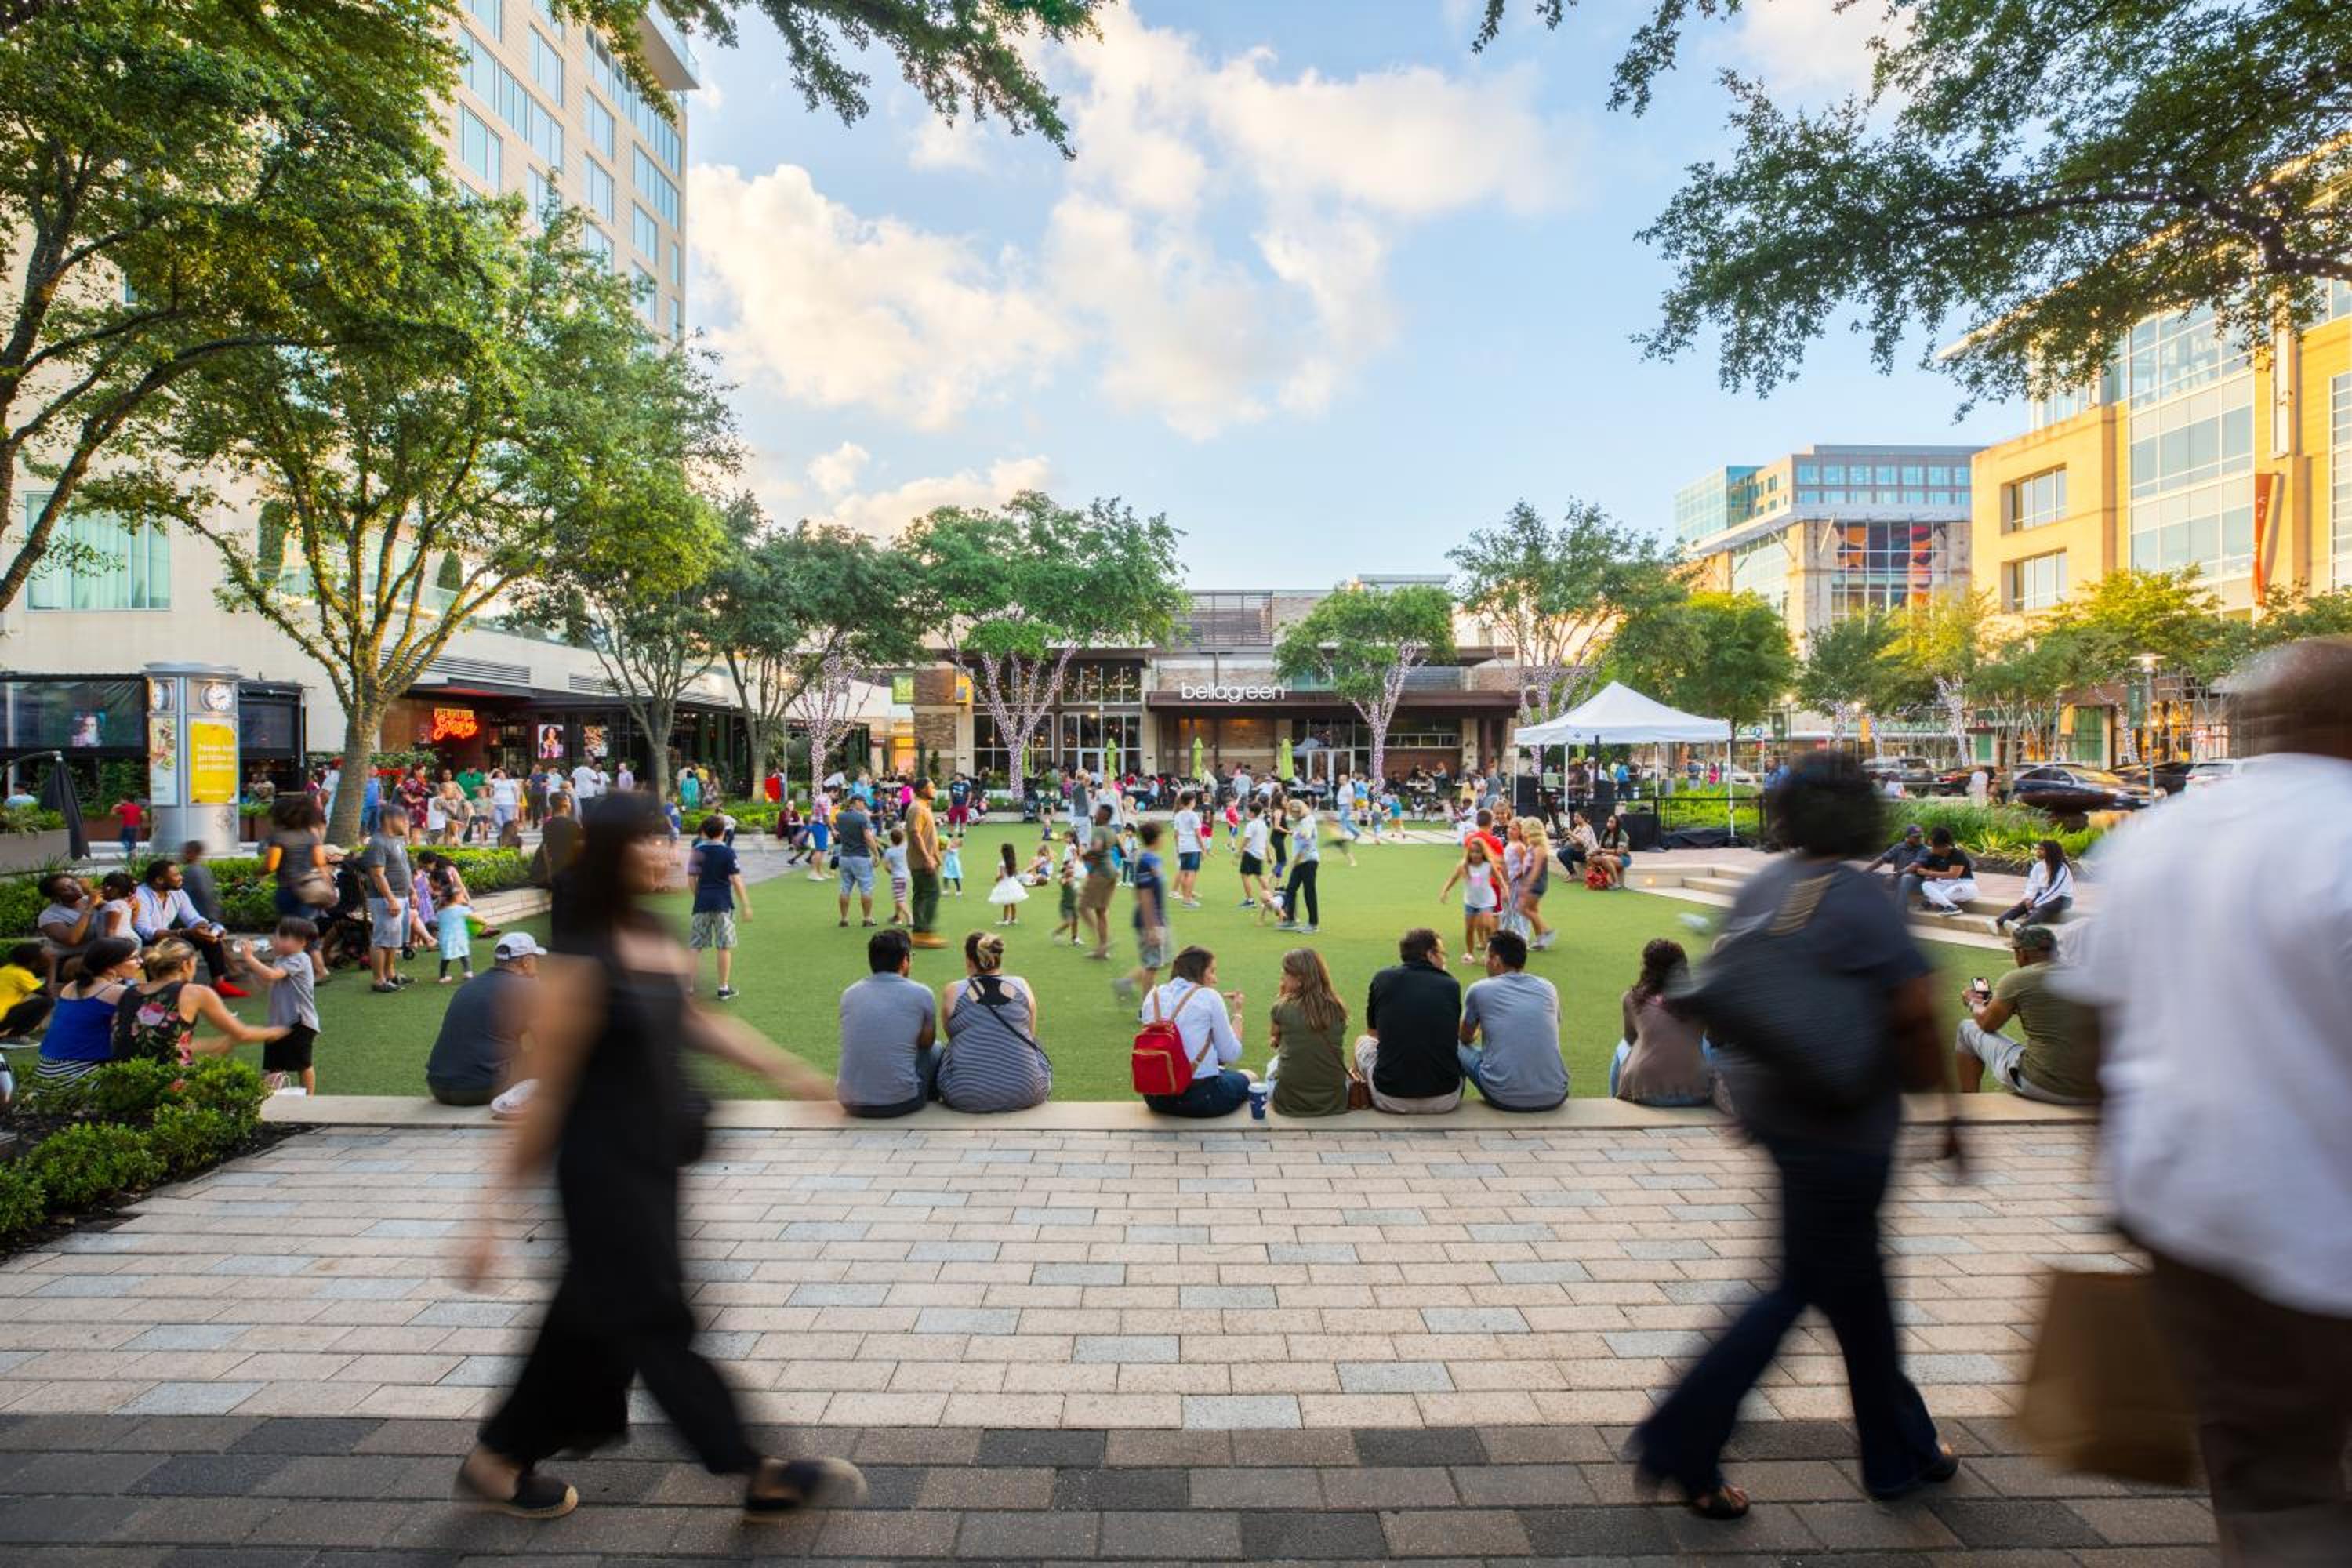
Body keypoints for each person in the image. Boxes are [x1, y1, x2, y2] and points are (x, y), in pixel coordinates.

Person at [454, 793, 861, 1523]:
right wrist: (486, 1217)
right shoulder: (581, 958)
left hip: (654, 1163)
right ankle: (756, 1469)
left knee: (588, 1321)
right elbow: (545, 1095)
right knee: (656, 1319)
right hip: (602, 1171)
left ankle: (500, 1458)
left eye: (670, 838)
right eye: (654, 839)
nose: (671, 851)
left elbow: (695, 1020)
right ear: (617, 852)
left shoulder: (652, 935)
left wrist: (790, 1073)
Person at [2053, 637, 2352, 1564]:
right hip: (2315, 1220)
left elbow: (2098, 1025)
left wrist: (2115, 1174)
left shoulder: (2160, 838)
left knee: (2265, 1473)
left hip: (2193, 1206)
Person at [1632, 751, 1959, 1520]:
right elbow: (1914, 1015)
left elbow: (1731, 996)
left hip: (1784, 1116)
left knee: (1858, 1292)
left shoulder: (1763, 885)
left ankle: (1903, 1449)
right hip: (1849, 1127)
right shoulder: (1862, 897)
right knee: (1799, 1289)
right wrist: (1953, 1113)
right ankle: (1682, 1440)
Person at [1951, 924, 2096, 1105]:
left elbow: (1987, 1024)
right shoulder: (2085, 975)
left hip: (2047, 1086)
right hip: (2093, 1089)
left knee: (1966, 1029)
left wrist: (1974, 1002)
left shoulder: (2018, 979)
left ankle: (1969, 1103)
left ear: (2022, 953)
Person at [113, 937, 285, 1066]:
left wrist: (212, 1045)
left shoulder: (130, 992)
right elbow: (243, 1034)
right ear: (186, 964)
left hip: (127, 1082)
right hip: (171, 1084)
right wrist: (279, 1032)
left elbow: (157, 1042)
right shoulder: (194, 992)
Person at [935, 931, 1052, 1113]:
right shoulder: (1021, 985)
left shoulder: (954, 991)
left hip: (964, 1095)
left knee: (942, 1050)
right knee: (1035, 1044)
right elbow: (1030, 1035)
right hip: (1027, 1091)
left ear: (969, 960)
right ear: (998, 958)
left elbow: (953, 1039)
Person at [1355, 928, 1465, 1114]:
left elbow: (1373, 1034)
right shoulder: (1450, 984)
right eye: (1442, 954)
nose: (1444, 959)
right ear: (1430, 955)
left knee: (1362, 1042)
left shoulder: (1382, 979)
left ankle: (1357, 1096)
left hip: (1389, 1098)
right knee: (1461, 1048)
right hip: (1446, 1099)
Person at [426, 932, 543, 1106]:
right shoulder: (529, 987)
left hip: (438, 1087)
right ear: (526, 961)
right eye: (536, 959)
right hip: (483, 1089)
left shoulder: (470, 985)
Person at [1456, 931, 1569, 1111]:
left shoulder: (1479, 989)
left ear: (1496, 960)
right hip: (1556, 1093)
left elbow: (1464, 1037)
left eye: (1486, 956)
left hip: (1503, 1096)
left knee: (1454, 1043)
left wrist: (1480, 1028)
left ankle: (1451, 1097)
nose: (1484, 961)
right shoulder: (1548, 988)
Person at [1137, 945, 1252, 1117]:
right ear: (1199, 971)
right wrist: (1238, 1013)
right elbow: (1231, 1054)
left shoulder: (1153, 995)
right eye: (1212, 971)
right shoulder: (1210, 997)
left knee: (1215, 1065)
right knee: (1249, 1076)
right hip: (1201, 1098)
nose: (1215, 979)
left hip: (1155, 1097)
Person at [836, 928, 938, 1119]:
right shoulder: (922, 994)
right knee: (936, 1049)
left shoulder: (849, 994)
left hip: (850, 1102)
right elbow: (926, 1043)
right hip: (901, 1102)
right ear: (905, 960)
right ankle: (929, 1100)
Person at [1611, 939, 1715, 1107]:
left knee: (1621, 1046)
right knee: (1706, 1043)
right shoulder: (1702, 999)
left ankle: (1616, 1104)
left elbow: (1630, 1039)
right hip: (1697, 1093)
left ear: (1647, 968)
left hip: (1647, 1094)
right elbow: (1715, 1039)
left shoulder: (1632, 998)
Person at [229, 917, 323, 1094]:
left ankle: (309, 1100)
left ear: (302, 942)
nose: (276, 940)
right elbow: (270, 980)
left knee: (303, 1064)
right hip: (278, 1023)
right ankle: (272, 1097)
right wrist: (256, 978)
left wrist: (249, 958)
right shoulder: (281, 959)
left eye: (283, 937)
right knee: (274, 1064)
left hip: (299, 1023)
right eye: (277, 935)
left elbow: (272, 975)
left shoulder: (300, 959)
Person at [34, 937, 140, 1087]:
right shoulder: (118, 992)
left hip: (45, 1072)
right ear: (111, 966)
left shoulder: (71, 986)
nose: (140, 962)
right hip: (76, 1075)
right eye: (134, 958)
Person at [130, 858, 245, 995]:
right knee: (162, 951)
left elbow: (193, 918)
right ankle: (160, 988)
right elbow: (146, 931)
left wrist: (206, 929)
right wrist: (184, 932)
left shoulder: (178, 893)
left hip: (165, 940)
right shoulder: (141, 895)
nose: (181, 877)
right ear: (159, 880)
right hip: (142, 943)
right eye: (176, 875)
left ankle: (219, 983)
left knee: (209, 938)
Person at [1261, 947, 1352, 1117]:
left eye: (1286, 973)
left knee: (1272, 1064)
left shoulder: (1282, 1007)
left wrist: (1283, 997)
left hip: (1289, 1102)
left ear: (1300, 979)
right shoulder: (1338, 1007)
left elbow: (1275, 1042)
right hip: (1335, 1101)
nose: (1282, 977)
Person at [685, 815, 749, 1001]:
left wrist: (698, 896)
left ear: (704, 832)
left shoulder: (697, 851)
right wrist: (745, 904)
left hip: (702, 903)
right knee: (724, 946)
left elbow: (691, 879)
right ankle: (723, 988)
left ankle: (688, 986)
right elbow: (736, 880)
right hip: (723, 904)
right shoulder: (728, 852)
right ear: (723, 832)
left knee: (695, 946)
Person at [359, 806, 416, 994]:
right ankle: (379, 980)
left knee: (393, 940)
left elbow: (404, 867)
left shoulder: (396, 841)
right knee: (382, 940)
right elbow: (377, 875)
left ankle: (390, 974)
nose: (407, 823)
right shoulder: (378, 843)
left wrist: (411, 890)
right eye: (404, 819)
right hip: (386, 899)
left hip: (401, 896)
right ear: (390, 819)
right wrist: (390, 900)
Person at [1116, 822, 1169, 1002]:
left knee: (1158, 961)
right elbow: (1143, 896)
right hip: (1149, 921)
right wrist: (1152, 927)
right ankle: (1146, 1009)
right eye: (1162, 836)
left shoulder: (1154, 859)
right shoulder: (1146, 861)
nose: (1164, 839)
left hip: (1158, 919)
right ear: (1156, 838)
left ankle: (1125, 983)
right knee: (1152, 966)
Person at [1437, 836, 1502, 960]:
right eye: (1472, 851)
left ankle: (1490, 954)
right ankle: (1469, 953)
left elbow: (1499, 878)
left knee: (1488, 926)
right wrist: (1444, 891)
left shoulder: (1488, 865)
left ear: (1483, 852)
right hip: (1470, 902)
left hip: (1486, 901)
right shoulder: (1464, 865)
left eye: (1478, 852)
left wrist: (1505, 890)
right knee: (1469, 929)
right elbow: (1453, 878)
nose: (1475, 854)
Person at [422, 853, 480, 983]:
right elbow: (474, 916)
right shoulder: (461, 909)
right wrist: (481, 920)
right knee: (465, 955)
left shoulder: (441, 911)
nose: (461, 898)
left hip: (446, 939)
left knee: (446, 958)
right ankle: (468, 972)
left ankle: (443, 976)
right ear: (454, 898)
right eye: (460, 896)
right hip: (460, 938)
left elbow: (434, 922)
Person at [1994, 839, 2074, 931]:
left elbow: (2055, 890)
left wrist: (2036, 903)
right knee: (2023, 904)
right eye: (2038, 849)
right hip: (2043, 895)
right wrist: (2028, 898)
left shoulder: (2063, 869)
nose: (2038, 851)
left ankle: (2020, 928)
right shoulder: (2039, 866)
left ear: (2051, 851)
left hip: (2062, 898)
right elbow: (2032, 884)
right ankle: (1998, 922)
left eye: (2041, 849)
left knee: (2043, 907)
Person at [905, 776, 944, 950]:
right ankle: (925, 933)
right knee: (932, 893)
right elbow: (915, 834)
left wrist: (935, 850)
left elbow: (922, 834)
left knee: (921, 894)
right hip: (922, 862)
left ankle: (919, 932)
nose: (934, 790)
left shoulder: (922, 807)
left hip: (922, 860)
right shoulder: (918, 808)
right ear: (922, 790)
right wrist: (928, 857)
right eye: (932, 787)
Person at [37, 873, 101, 975]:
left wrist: (90, 891)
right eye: (66, 889)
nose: (75, 889)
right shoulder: (49, 915)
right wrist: (90, 907)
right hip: (71, 961)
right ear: (56, 896)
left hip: (99, 953)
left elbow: (115, 912)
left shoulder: (90, 899)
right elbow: (72, 940)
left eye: (74, 883)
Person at [1078, 803, 1120, 960]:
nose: (1095, 815)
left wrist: (1085, 856)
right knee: (1101, 911)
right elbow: (1122, 850)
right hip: (1113, 873)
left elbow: (1096, 848)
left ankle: (1103, 944)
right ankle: (1102, 950)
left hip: (1101, 873)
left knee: (1082, 907)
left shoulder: (1099, 830)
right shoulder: (1111, 831)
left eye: (1098, 813)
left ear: (1104, 816)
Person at [1276, 798, 1321, 935]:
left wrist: (1295, 860)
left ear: (1298, 812)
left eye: (1292, 813)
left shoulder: (1307, 822)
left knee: (1309, 892)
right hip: (1300, 862)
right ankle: (1291, 919)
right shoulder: (1302, 822)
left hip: (1307, 861)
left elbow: (1306, 844)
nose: (1291, 816)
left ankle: (1313, 924)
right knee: (1290, 890)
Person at [1907, 826, 1976, 913]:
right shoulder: (1933, 855)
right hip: (1944, 885)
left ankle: (1930, 902)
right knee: (1926, 885)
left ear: (1944, 846)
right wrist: (1921, 870)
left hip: (1964, 885)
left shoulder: (1957, 854)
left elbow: (1953, 875)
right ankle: (1951, 906)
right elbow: (1923, 869)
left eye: (1933, 846)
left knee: (1953, 890)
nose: (1930, 848)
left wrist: (1929, 873)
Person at [833, 793, 877, 928]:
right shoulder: (861, 818)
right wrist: (876, 853)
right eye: (863, 803)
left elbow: (838, 832)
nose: (864, 806)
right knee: (866, 888)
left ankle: (844, 919)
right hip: (861, 856)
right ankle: (867, 918)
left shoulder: (840, 816)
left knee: (845, 888)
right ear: (857, 802)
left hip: (845, 856)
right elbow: (868, 838)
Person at [0, 941, 53, 1044]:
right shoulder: (21, 974)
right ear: (33, 962)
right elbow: (48, 993)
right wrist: (51, 968)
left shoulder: (7, 969)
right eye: (44, 959)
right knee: (46, 1002)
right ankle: (15, 1035)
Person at [1515, 820, 1556, 949]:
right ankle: (1540, 940)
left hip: (1536, 884)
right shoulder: (1531, 847)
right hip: (1533, 882)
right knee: (1533, 911)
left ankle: (1547, 931)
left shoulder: (1539, 849)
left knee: (1522, 908)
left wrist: (1527, 885)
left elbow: (1536, 869)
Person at [532, 792, 580, 889]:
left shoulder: (548, 825)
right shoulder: (572, 825)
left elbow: (545, 850)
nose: (570, 803)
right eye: (569, 801)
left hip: (556, 871)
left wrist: (550, 873)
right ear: (565, 803)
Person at [1236, 800, 1272, 916]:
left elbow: (1246, 840)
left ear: (1252, 813)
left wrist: (1239, 853)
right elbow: (1265, 841)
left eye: (1248, 810)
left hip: (1250, 853)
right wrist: (1268, 855)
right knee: (1259, 876)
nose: (1247, 812)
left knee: (1245, 876)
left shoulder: (1251, 825)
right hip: (1259, 854)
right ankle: (1270, 899)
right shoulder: (1263, 824)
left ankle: (1250, 900)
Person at [1866, 824, 1927, 889]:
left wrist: (1896, 875)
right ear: (1908, 836)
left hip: (1915, 879)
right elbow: (1882, 860)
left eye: (1920, 837)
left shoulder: (1923, 849)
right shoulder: (1899, 847)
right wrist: (1866, 872)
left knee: (1906, 878)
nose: (1918, 839)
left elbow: (1914, 866)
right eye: (1915, 837)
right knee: (1877, 878)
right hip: (1898, 876)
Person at [1171, 792, 1205, 909]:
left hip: (1182, 847)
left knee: (1184, 872)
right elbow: (1198, 834)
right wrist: (1203, 849)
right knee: (1191, 873)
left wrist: (1178, 847)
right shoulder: (1193, 816)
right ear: (1191, 801)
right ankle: (1188, 899)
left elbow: (1176, 834)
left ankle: (1186, 898)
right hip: (1192, 847)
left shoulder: (1178, 815)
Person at [987, 841, 1029, 927]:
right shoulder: (1012, 861)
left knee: (1006, 902)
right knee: (1013, 902)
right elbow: (1015, 872)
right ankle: (1014, 919)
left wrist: (997, 878)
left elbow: (1002, 875)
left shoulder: (1002, 863)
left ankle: (1005, 920)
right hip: (1013, 882)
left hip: (1005, 883)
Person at [1591, 814, 1633, 889]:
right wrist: (1592, 853)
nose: (1609, 823)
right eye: (1608, 821)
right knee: (1592, 858)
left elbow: (1620, 852)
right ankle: (1598, 880)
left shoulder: (1622, 834)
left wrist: (1604, 851)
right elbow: (1600, 848)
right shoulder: (1605, 833)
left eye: (1611, 822)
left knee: (1605, 859)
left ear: (1617, 824)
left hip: (1623, 858)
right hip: (1608, 857)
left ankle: (1616, 883)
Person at [881, 826, 911, 926]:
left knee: (900, 899)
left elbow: (886, 866)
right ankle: (897, 917)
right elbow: (905, 837)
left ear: (891, 839)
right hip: (906, 876)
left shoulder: (890, 851)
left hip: (897, 877)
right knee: (901, 897)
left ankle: (910, 918)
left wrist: (891, 872)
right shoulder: (906, 846)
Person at [114, 793, 143, 859]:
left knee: (123, 839)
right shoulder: (137, 807)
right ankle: (132, 854)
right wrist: (142, 823)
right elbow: (144, 814)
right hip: (135, 827)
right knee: (132, 840)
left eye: (121, 800)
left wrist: (114, 807)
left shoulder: (124, 808)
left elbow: (113, 814)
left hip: (127, 827)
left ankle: (132, 852)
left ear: (126, 800)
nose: (120, 801)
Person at [940, 831, 964, 897]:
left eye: (955, 844)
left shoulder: (955, 850)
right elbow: (944, 855)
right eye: (952, 842)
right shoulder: (948, 848)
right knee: (945, 877)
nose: (953, 844)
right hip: (948, 866)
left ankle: (959, 890)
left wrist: (947, 846)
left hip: (954, 866)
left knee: (956, 878)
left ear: (958, 846)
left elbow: (949, 849)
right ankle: (946, 890)